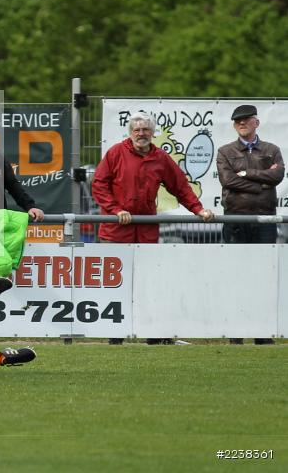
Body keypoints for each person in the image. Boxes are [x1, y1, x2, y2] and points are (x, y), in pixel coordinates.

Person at [92, 112, 214, 345]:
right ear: (130, 132)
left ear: (152, 132)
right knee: (116, 284)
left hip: (146, 231)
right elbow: (99, 184)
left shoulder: (160, 157)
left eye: (146, 130)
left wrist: (198, 209)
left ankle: (155, 335)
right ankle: (115, 336)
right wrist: (116, 210)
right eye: (137, 130)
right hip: (116, 231)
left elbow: (180, 186)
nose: (141, 134)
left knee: (150, 283)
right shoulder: (115, 153)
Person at [215, 104, 284, 345]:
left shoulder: (272, 149)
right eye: (237, 121)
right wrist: (259, 184)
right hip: (235, 219)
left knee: (264, 277)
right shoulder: (225, 151)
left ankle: (263, 333)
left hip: (264, 219)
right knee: (235, 277)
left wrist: (245, 175)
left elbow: (277, 177)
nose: (242, 124)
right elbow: (227, 179)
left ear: (256, 122)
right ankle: (235, 333)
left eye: (246, 120)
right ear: (234, 126)